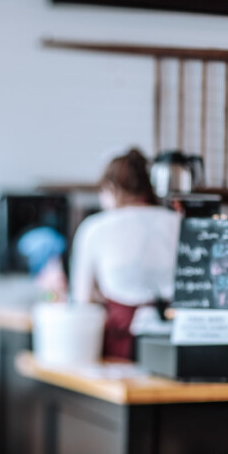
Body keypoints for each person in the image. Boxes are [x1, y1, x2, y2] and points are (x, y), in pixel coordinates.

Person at [70, 148, 180, 358]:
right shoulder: (177, 222)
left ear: (110, 188)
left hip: (120, 345)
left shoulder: (95, 228)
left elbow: (81, 301)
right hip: (175, 342)